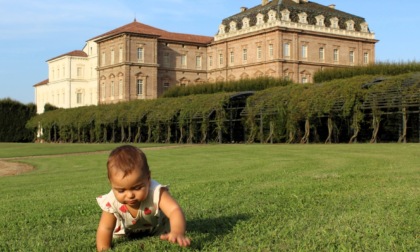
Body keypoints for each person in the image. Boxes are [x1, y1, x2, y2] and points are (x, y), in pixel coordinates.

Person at [95, 145, 190, 251]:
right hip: (127, 231)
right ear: (111, 183)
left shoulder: (156, 192)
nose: (130, 195)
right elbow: (105, 228)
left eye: (137, 188)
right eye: (121, 190)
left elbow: (174, 210)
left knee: (166, 229)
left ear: (148, 178)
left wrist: (177, 231)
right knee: (115, 233)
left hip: (157, 228)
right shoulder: (111, 200)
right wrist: (103, 249)